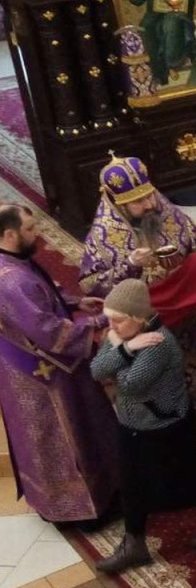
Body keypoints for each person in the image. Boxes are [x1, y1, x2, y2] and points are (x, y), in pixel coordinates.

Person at [80, 154, 196, 450]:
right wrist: (129, 265)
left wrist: (192, 268)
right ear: (117, 202)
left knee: (195, 373)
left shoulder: (168, 213)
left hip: (184, 319)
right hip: (144, 329)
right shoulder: (102, 236)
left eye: (149, 195)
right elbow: (90, 285)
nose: (149, 205)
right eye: (138, 201)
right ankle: (170, 440)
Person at [90, 280, 196, 575]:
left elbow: (130, 384)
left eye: (118, 320)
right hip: (133, 422)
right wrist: (126, 347)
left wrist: (119, 352)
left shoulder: (158, 343)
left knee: (189, 475)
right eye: (110, 320)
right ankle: (135, 543)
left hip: (166, 424)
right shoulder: (124, 336)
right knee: (131, 481)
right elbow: (96, 370)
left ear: (138, 318)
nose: (111, 327)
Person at [0, 203, 119, 526]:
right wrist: (99, 320)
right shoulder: (11, 282)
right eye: (29, 229)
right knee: (65, 436)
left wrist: (74, 302)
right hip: (42, 372)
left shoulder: (12, 261)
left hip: (19, 360)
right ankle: (82, 509)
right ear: (9, 234)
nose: (37, 234)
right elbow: (49, 331)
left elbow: (40, 295)